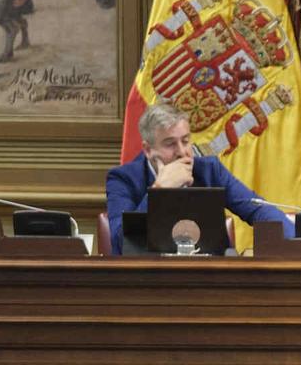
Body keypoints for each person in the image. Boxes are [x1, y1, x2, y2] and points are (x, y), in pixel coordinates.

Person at [105, 101, 290, 256]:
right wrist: (159, 191)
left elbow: (258, 210)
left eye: (185, 141)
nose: (182, 152)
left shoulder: (209, 171)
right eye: (170, 144)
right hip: (149, 284)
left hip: (211, 284)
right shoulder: (123, 179)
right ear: (148, 150)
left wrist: (297, 242)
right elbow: (120, 242)